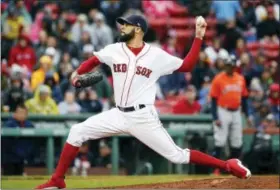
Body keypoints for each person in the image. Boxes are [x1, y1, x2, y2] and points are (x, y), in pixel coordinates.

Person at [37, 15, 251, 189]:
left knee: (177, 156)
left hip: (142, 116)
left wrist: (198, 37)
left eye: (126, 25)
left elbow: (186, 66)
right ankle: (58, 179)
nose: (121, 28)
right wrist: (77, 73)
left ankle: (228, 164)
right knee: (77, 131)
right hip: (118, 113)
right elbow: (95, 59)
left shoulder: (156, 55)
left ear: (138, 29)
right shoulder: (114, 49)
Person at [210, 55, 250, 175]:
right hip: (223, 111)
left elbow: (244, 98)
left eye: (231, 66)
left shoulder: (240, 78)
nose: (230, 68)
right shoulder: (218, 79)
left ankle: (234, 168)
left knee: (237, 141)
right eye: (228, 66)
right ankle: (216, 169)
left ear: (234, 67)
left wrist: (247, 115)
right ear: (225, 66)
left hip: (237, 111)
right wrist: (215, 117)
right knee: (220, 141)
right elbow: (213, 100)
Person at [2, 104, 34, 175]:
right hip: (9, 158)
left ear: (26, 115)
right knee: (8, 179)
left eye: (23, 113)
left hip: (22, 159)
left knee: (19, 177)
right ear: (15, 113)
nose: (21, 115)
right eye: (19, 112)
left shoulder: (29, 125)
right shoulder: (8, 124)